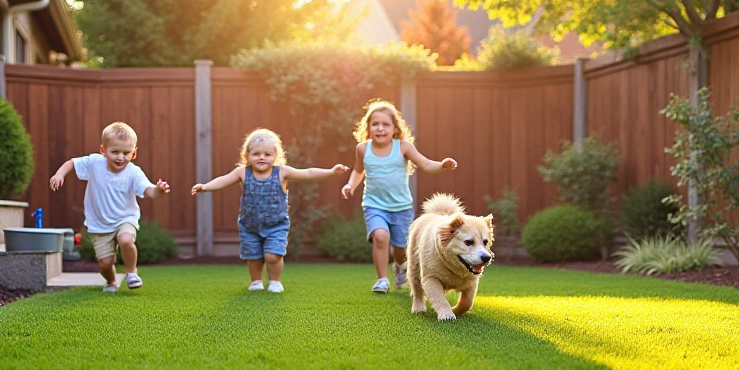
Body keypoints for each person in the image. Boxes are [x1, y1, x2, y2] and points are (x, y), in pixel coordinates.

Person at [191, 128, 348, 293]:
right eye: (256, 154)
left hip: (276, 225)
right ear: (247, 156)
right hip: (249, 225)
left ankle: (275, 281)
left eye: (267, 154)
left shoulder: (282, 172)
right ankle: (256, 281)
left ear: (275, 156)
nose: (262, 158)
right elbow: (223, 180)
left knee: (273, 255)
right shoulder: (242, 173)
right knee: (253, 256)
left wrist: (331, 172)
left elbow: (307, 173)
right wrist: (205, 187)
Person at [340, 100, 458, 293]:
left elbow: (426, 164)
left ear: (395, 128)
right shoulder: (363, 149)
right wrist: (350, 184)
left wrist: (442, 165)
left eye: (385, 124)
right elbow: (357, 171)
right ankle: (382, 280)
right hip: (374, 205)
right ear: (368, 127)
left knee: (401, 249)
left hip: (401, 207)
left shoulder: (403, 147)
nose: (380, 128)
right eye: (375, 124)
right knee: (380, 236)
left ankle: (399, 268)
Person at [48, 121, 170, 293]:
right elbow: (72, 163)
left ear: (134, 153)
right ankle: (111, 281)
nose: (121, 157)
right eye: (115, 152)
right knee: (105, 264)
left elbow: (149, 191)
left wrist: (159, 190)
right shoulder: (94, 163)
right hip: (99, 223)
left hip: (125, 218)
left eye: (126, 153)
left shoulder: (134, 172)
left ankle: (131, 272)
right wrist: (59, 174)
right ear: (103, 151)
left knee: (126, 240)